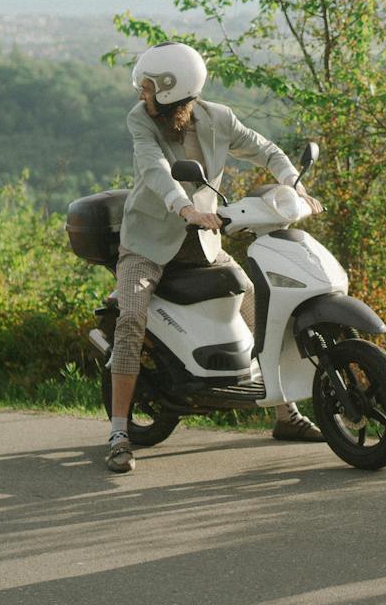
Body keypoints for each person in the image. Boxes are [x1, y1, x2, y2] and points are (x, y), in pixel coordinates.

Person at [106, 42, 324, 473]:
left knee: (262, 307)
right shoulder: (140, 120)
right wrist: (184, 207)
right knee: (130, 319)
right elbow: (155, 169)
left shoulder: (219, 118)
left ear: (173, 90)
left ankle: (286, 414)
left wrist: (294, 184)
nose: (142, 95)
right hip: (147, 243)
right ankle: (118, 433)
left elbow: (266, 150)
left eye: (148, 88)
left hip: (203, 243)